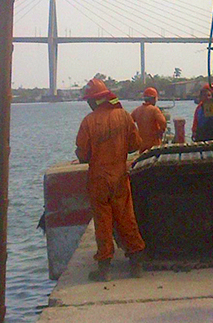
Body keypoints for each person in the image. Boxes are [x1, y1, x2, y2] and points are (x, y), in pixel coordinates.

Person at [75, 78, 147, 281]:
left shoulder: (88, 122)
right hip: (119, 176)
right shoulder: (124, 116)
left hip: (98, 179)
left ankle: (104, 268)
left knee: (103, 222)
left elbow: (83, 154)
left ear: (94, 101)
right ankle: (136, 264)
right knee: (126, 218)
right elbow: (135, 144)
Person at [131, 86, 168, 151]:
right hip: (154, 144)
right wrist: (160, 132)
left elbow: (129, 122)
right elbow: (163, 123)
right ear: (154, 99)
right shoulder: (154, 110)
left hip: (142, 144)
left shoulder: (137, 110)